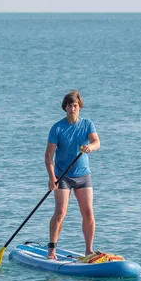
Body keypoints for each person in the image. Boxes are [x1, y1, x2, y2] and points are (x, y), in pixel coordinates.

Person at [45, 90, 100, 260]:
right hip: (63, 176)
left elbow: (97, 142)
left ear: (79, 107)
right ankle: (52, 250)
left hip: (83, 175)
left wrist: (90, 147)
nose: (72, 109)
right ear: (65, 108)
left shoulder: (87, 124)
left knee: (88, 212)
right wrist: (52, 178)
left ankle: (89, 250)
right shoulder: (58, 128)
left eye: (75, 106)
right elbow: (48, 157)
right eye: (69, 106)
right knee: (61, 212)